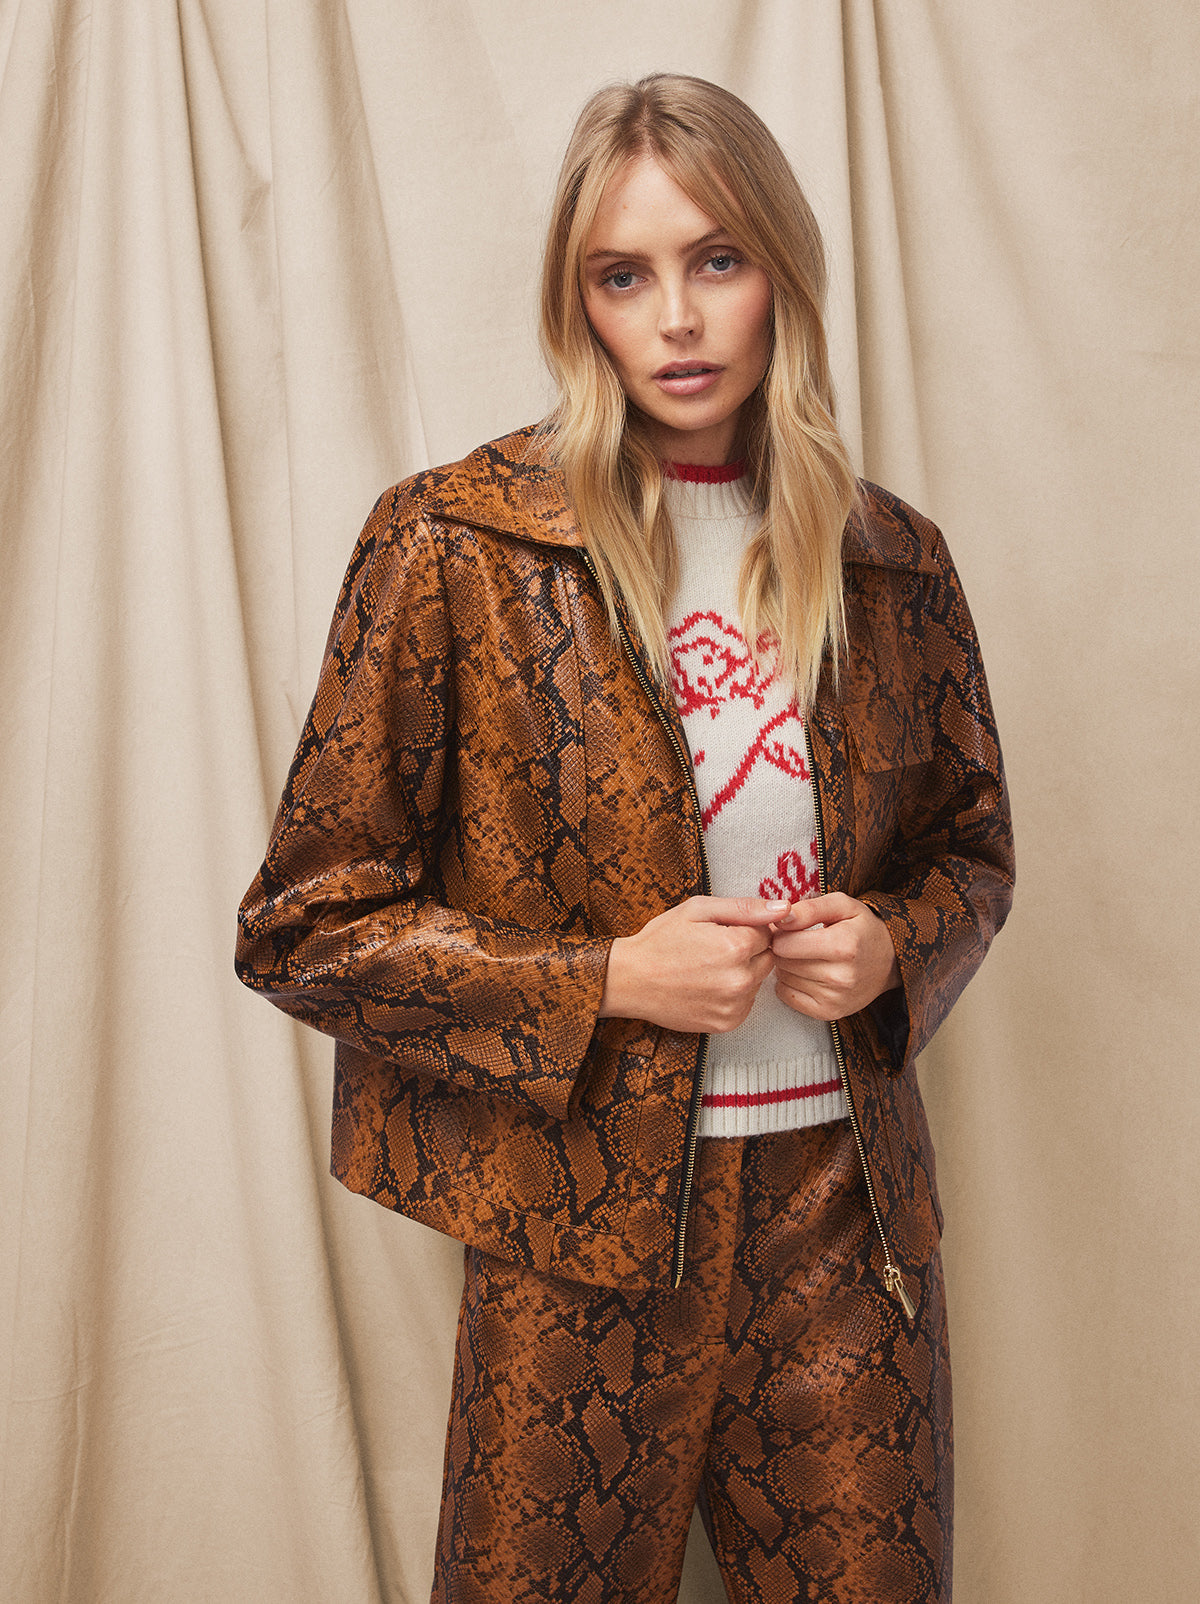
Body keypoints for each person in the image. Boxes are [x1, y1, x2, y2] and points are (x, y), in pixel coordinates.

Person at [236, 72, 1013, 1604]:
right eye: (624, 274)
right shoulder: (454, 545)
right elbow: (306, 927)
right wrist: (605, 982)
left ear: (780, 273)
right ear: (575, 298)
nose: (678, 318)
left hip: (844, 1218)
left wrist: (892, 945)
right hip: (573, 1232)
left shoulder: (889, 559)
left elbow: (969, 852)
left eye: (717, 261)